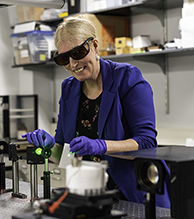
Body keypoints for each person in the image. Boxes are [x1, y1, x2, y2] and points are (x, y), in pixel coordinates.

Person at [23, 16, 170, 208]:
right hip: (91, 197)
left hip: (136, 195)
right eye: (63, 59)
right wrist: (50, 146)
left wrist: (102, 146)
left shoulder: (127, 78)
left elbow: (147, 143)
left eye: (78, 53)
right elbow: (66, 156)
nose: (72, 64)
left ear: (94, 45)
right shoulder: (69, 89)